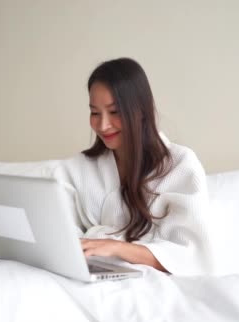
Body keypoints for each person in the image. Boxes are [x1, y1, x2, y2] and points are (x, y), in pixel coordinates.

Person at [57, 58, 214, 276]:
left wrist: (117, 248)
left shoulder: (180, 165)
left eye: (114, 112)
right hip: (90, 275)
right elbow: (58, 235)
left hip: (156, 281)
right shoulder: (77, 168)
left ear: (140, 109)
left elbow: (191, 256)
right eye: (95, 112)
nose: (103, 125)